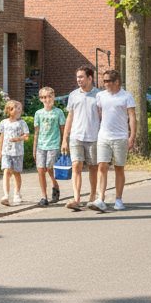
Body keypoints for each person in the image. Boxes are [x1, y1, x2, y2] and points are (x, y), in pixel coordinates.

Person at [91, 69, 137, 212]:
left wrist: (132, 136)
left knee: (119, 168)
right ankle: (101, 198)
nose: (104, 84)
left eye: (107, 81)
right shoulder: (100, 96)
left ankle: (118, 199)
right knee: (102, 166)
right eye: (103, 81)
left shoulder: (126, 96)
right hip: (103, 136)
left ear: (116, 82)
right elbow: (98, 114)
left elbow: (132, 117)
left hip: (120, 137)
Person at [61, 66, 101, 211]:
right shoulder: (73, 95)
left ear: (90, 78)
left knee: (93, 167)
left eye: (81, 77)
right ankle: (76, 198)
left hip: (94, 137)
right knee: (76, 165)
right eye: (77, 77)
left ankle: (92, 196)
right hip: (76, 137)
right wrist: (65, 138)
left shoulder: (99, 95)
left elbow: (103, 117)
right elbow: (69, 117)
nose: (78, 80)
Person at [32, 87, 66, 206]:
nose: (47, 99)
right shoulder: (38, 113)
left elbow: (63, 130)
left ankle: (55, 185)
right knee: (41, 170)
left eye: (49, 96)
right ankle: (44, 196)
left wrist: (64, 143)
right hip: (41, 146)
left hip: (54, 145)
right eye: (44, 97)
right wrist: (34, 148)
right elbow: (36, 132)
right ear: (41, 99)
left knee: (49, 168)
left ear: (53, 97)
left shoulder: (59, 112)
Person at [0, 99, 30, 206]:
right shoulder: (3, 123)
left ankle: (17, 193)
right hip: (6, 152)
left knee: (16, 173)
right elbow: (1, 137)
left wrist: (18, 139)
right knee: (6, 171)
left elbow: (26, 136)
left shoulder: (22, 123)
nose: (18, 110)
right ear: (9, 110)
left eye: (20, 108)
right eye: (16, 108)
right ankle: (6, 195)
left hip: (18, 152)